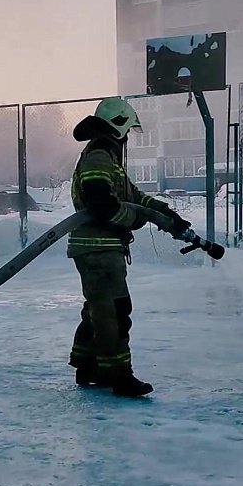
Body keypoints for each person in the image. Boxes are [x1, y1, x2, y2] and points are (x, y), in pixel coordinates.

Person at [67, 97, 191, 398]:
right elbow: (101, 204)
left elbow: (133, 196)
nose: (128, 139)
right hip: (97, 249)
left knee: (98, 309)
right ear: (119, 125)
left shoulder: (108, 159)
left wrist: (165, 214)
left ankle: (87, 365)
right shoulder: (99, 157)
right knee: (113, 311)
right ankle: (119, 375)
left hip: (103, 248)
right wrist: (134, 219)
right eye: (128, 130)